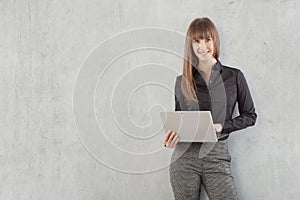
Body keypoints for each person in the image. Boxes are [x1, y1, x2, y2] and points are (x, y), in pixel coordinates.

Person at [163, 17, 257, 200]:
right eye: (196, 41)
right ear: (190, 46)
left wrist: (222, 126)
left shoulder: (234, 76)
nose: (202, 46)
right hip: (184, 157)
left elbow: (250, 115)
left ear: (215, 41)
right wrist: (171, 138)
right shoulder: (181, 81)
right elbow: (179, 121)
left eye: (207, 39)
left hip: (217, 154)